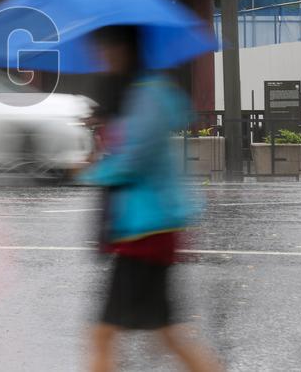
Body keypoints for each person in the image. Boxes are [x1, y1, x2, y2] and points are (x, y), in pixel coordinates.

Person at [77, 25, 222, 372]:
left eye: (108, 49)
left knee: (103, 333)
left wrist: (87, 171)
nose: (103, 57)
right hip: (144, 229)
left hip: (146, 231)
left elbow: (134, 160)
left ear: (126, 49)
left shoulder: (146, 97)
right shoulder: (136, 95)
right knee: (166, 334)